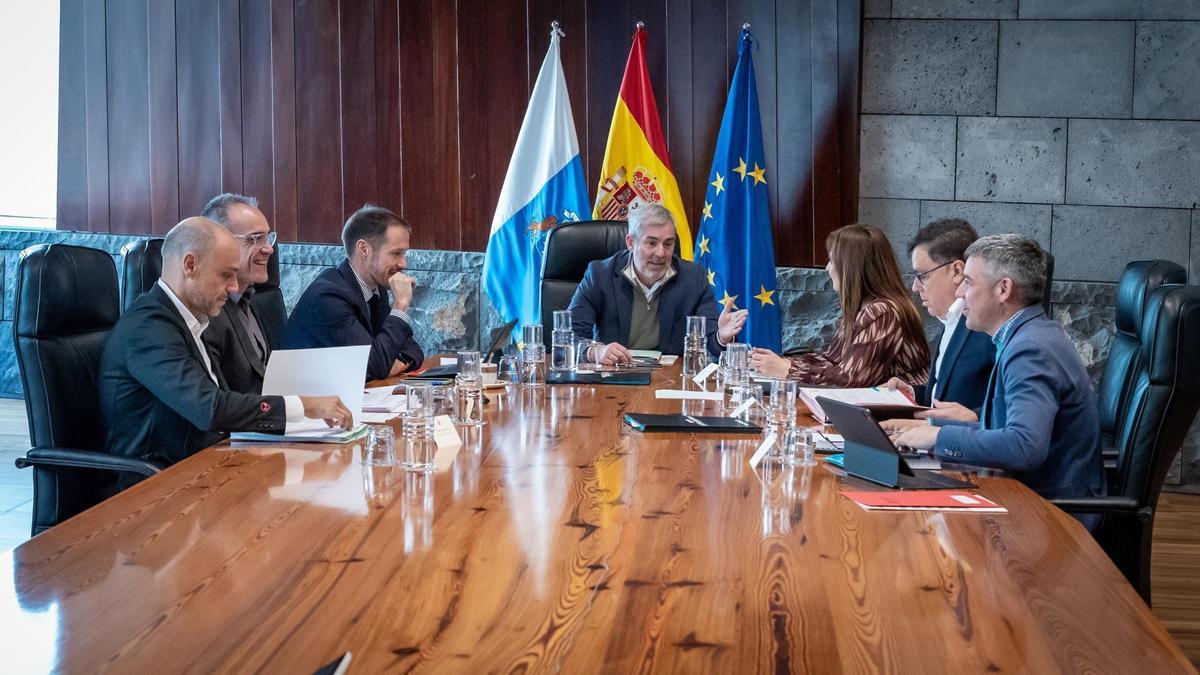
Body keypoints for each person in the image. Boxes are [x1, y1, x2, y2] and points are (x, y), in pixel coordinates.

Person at [99, 218, 352, 468]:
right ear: (190, 265)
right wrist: (304, 406)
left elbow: (224, 400)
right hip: (158, 478)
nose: (233, 287)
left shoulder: (191, 318)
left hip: (207, 460)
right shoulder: (147, 328)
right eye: (226, 275)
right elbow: (210, 408)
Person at [888, 235, 1105, 501]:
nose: (959, 292)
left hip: (1046, 510)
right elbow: (1000, 428)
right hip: (1020, 493)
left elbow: (1024, 446)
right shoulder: (1027, 335)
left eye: (968, 282)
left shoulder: (1030, 350)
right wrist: (929, 427)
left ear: (1003, 289)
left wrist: (939, 436)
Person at [748, 223, 929, 387]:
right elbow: (832, 361)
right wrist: (781, 362)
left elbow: (851, 380)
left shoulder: (883, 311)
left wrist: (789, 370)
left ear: (851, 268)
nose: (827, 267)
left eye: (832, 261)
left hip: (902, 409)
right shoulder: (865, 307)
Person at [567, 204, 747, 364]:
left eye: (668, 244)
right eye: (651, 243)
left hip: (671, 379)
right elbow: (568, 336)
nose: (661, 253)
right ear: (631, 243)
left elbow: (711, 343)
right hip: (614, 374)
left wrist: (721, 337)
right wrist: (595, 352)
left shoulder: (693, 278)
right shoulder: (600, 275)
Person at [283, 204, 424, 380]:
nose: (404, 264)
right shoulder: (328, 297)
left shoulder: (376, 288)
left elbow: (413, 349)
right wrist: (400, 305)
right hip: (304, 394)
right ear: (364, 249)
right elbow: (375, 365)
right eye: (396, 253)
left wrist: (398, 361)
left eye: (404, 254)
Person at [885, 219, 994, 413]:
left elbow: (1007, 408)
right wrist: (912, 393)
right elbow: (945, 395)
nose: (915, 287)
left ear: (957, 271)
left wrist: (974, 417)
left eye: (923, 276)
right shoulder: (950, 320)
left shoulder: (987, 326)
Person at [200, 193, 278, 394]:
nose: (269, 249)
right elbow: (220, 400)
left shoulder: (250, 298)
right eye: (256, 238)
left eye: (268, 237)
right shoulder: (207, 313)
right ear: (220, 243)